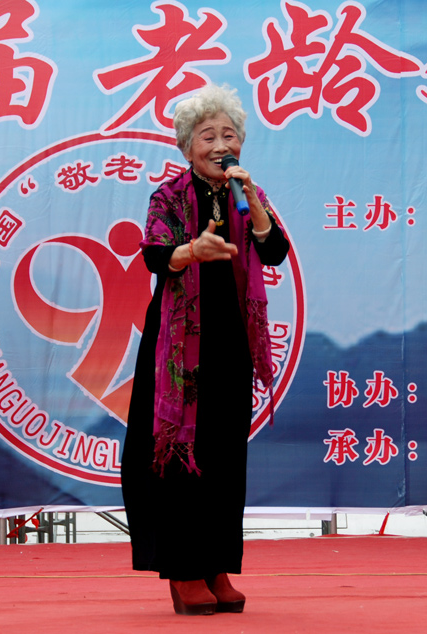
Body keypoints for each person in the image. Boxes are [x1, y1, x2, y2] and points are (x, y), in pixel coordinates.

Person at [121, 84, 290, 616]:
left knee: (223, 454)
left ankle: (218, 565)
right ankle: (185, 569)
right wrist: (192, 250)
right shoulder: (169, 197)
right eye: (208, 136)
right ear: (187, 146)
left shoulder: (247, 192)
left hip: (232, 339)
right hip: (178, 347)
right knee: (180, 453)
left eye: (229, 135)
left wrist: (254, 202)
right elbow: (154, 255)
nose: (221, 145)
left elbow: (274, 251)